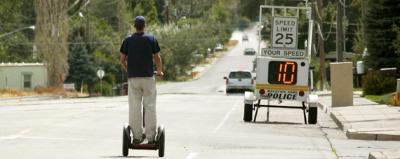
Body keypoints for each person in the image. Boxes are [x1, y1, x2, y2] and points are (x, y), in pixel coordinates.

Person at [120, 16, 163, 144]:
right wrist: (159, 71)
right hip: (148, 78)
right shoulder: (151, 39)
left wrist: (128, 69)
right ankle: (150, 138)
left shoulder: (127, 40)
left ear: (134, 26)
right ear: (144, 26)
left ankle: (137, 137)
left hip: (133, 78)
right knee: (150, 106)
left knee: (134, 107)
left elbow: (122, 60)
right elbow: (157, 58)